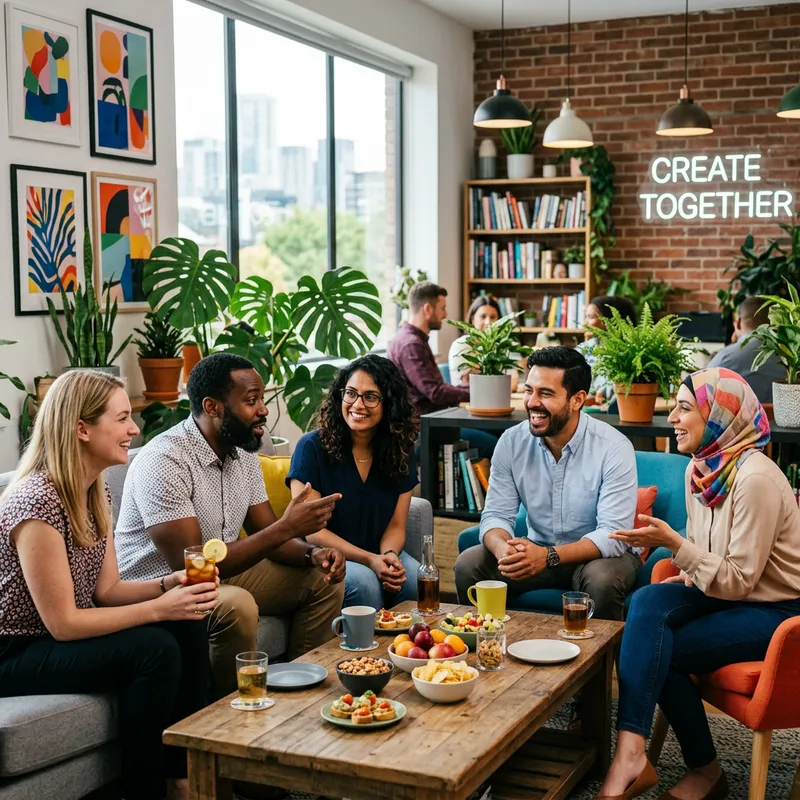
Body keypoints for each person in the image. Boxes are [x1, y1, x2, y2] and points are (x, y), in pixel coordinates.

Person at [0, 370, 217, 800]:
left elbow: (108, 591)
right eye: (121, 419)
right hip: (14, 651)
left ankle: (184, 779)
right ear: (82, 428)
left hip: (52, 639)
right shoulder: (37, 501)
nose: (134, 429)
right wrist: (160, 608)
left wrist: (167, 585)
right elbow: (63, 623)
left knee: (187, 622)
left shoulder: (93, 490)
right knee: (154, 648)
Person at [596, 368, 800, 800]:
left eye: (685, 407)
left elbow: (740, 579)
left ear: (719, 418)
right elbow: (705, 555)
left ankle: (699, 769)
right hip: (725, 596)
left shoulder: (755, 479)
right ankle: (634, 752)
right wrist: (680, 556)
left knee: (653, 647)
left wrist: (672, 543)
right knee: (646, 602)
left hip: (779, 613)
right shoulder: (701, 471)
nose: (672, 417)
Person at [115, 353, 346, 697]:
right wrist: (287, 526)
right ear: (213, 407)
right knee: (236, 604)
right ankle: (228, 721)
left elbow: (265, 533)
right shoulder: (164, 460)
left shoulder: (243, 452)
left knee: (322, 581)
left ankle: (304, 697)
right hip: (163, 586)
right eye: (251, 401)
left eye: (262, 399)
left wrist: (313, 553)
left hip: (218, 572)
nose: (263, 410)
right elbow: (194, 568)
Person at [454, 347, 641, 622]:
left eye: (546, 393)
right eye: (529, 390)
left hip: (599, 558)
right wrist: (502, 549)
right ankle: (486, 652)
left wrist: (548, 556)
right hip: (537, 550)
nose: (532, 402)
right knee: (469, 564)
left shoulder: (613, 447)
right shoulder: (511, 442)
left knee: (602, 579)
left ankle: (600, 665)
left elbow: (612, 535)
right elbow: (495, 515)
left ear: (577, 400)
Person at [287, 355, 420, 609]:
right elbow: (312, 531)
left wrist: (389, 556)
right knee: (365, 584)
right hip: (329, 558)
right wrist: (370, 559)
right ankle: (363, 650)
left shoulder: (400, 449)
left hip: (377, 553)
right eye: (351, 393)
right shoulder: (311, 447)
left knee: (413, 580)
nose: (357, 404)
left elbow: (396, 524)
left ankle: (405, 649)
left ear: (389, 404)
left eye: (370, 397)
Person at [387, 280, 498, 459]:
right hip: (423, 430)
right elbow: (435, 392)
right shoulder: (411, 344)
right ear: (427, 309)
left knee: (501, 434)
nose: (445, 315)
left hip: (434, 421)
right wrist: (479, 392)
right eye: (442, 308)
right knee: (498, 444)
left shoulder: (413, 340)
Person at [707, 296, 785, 403]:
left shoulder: (724, 358)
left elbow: (701, 398)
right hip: (784, 420)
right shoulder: (791, 358)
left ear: (738, 323)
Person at [578, 295, 637, 406]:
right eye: (586, 317)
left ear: (610, 319)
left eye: (590, 317)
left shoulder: (631, 353)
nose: (585, 323)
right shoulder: (587, 347)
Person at [448, 296, 501, 385]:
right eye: (483, 316)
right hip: (467, 397)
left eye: (493, 317)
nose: (488, 322)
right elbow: (466, 384)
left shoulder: (500, 346)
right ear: (472, 319)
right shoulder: (461, 345)